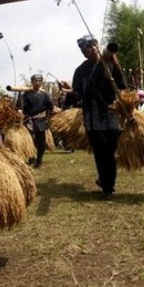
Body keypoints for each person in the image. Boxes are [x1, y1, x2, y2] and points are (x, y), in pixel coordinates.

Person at [59, 35, 126, 199]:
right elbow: (77, 96)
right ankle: (108, 187)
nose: (90, 49)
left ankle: (106, 181)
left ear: (97, 46)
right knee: (101, 153)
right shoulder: (81, 71)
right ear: (83, 53)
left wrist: (114, 71)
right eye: (86, 48)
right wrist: (68, 92)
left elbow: (122, 86)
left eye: (92, 45)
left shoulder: (110, 64)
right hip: (92, 118)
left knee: (111, 151)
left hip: (111, 115)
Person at [21, 73, 57, 168]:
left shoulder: (45, 94)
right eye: (35, 81)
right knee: (30, 141)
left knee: (41, 143)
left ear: (41, 82)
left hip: (41, 121)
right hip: (29, 121)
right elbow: (23, 108)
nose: (37, 82)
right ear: (32, 82)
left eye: (39, 81)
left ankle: (39, 161)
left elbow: (50, 106)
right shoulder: (26, 94)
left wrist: (55, 111)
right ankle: (31, 158)